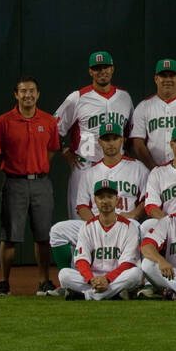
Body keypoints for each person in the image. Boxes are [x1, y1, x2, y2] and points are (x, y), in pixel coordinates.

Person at [47, 121, 148, 289]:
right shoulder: (90, 172)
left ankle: (93, 286)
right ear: (99, 142)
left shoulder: (138, 168)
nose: (110, 143)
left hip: (125, 223)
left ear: (122, 140)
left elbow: (147, 199)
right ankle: (71, 286)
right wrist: (94, 225)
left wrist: (135, 214)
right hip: (95, 223)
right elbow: (82, 206)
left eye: (114, 138)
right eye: (106, 139)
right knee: (58, 230)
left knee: (139, 227)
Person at [0, 77, 59, 295]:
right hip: (15, 182)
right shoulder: (3, 122)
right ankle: (4, 282)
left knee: (43, 235)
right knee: (10, 236)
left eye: (32, 91)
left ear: (38, 94)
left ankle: (43, 282)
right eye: (23, 91)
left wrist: (37, 166)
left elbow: (51, 150)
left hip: (41, 182)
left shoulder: (49, 121)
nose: (28, 95)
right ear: (16, 95)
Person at [54, 50, 134, 221]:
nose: (101, 71)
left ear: (112, 69)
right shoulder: (77, 98)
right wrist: (64, 150)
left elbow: (129, 134)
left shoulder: (125, 97)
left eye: (105, 67)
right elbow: (52, 128)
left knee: (117, 223)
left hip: (117, 168)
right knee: (79, 223)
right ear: (90, 71)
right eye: (97, 68)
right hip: (85, 165)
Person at [58, 181, 143, 301]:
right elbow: (82, 260)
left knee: (136, 274)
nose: (105, 201)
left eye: (110, 197)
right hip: (93, 278)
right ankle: (114, 294)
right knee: (64, 274)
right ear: (95, 201)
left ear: (117, 200)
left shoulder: (129, 227)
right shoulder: (87, 226)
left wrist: (107, 279)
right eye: (101, 197)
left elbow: (128, 263)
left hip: (117, 277)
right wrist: (90, 279)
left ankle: (86, 296)